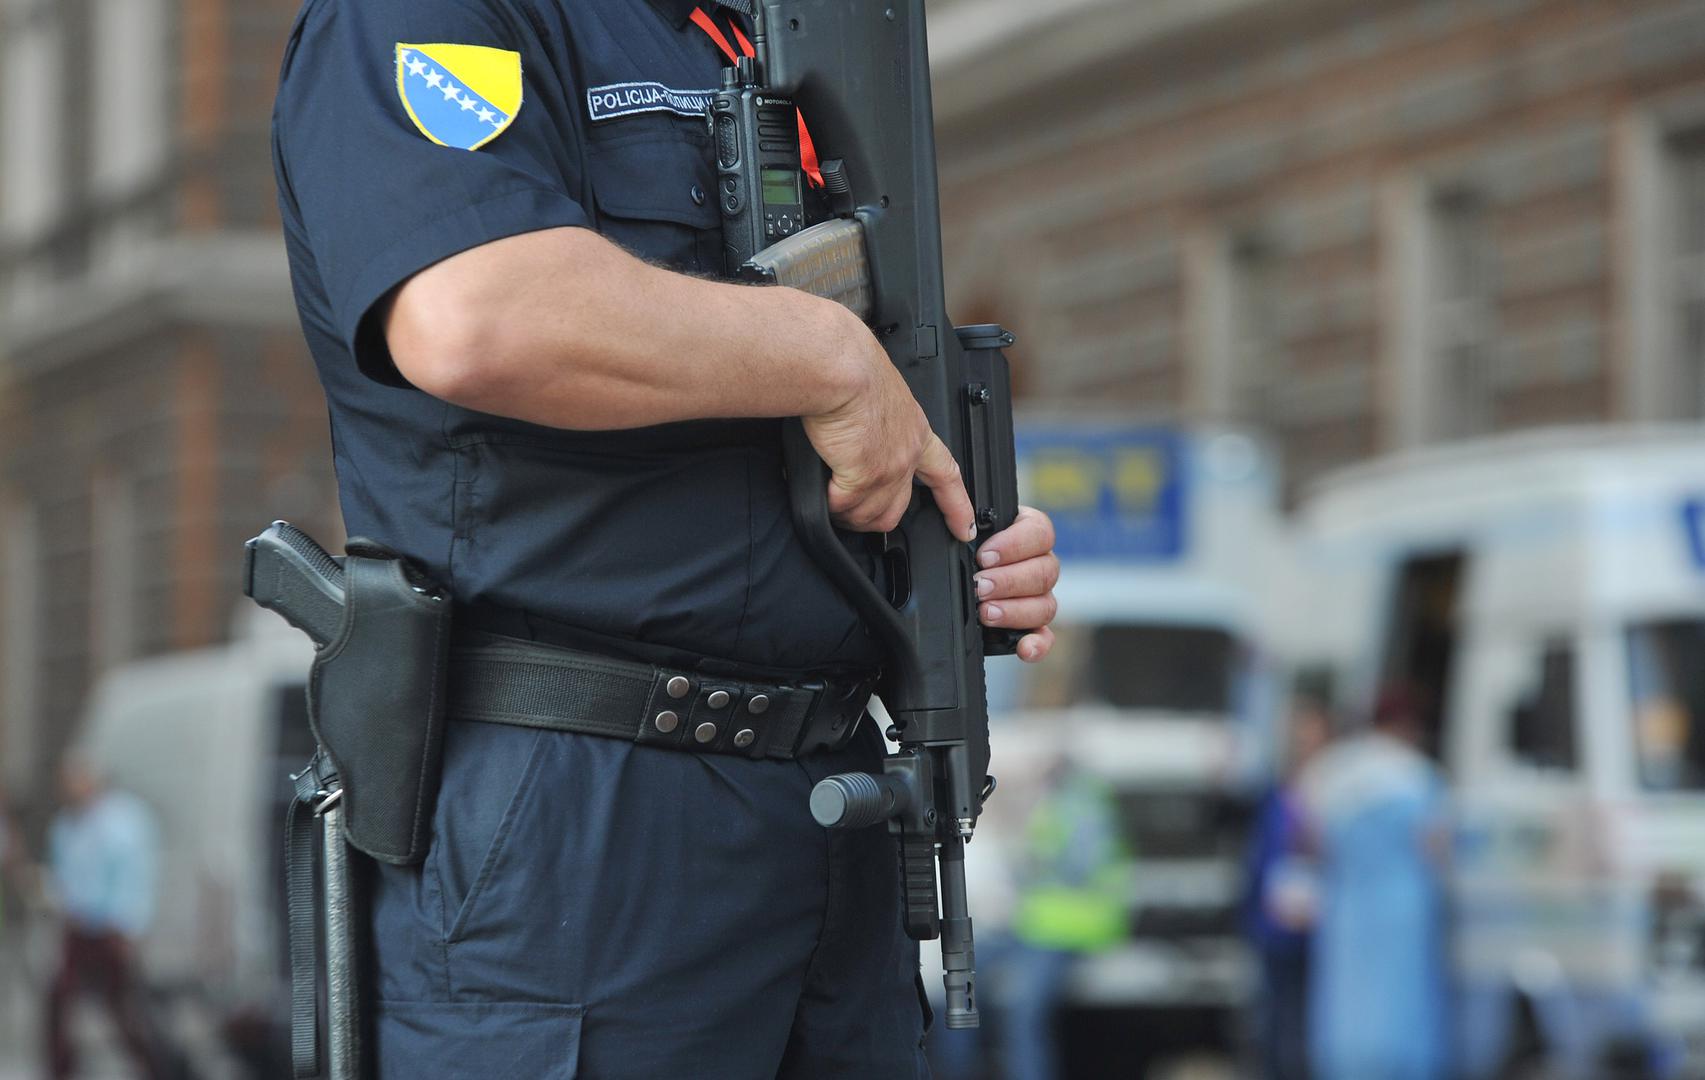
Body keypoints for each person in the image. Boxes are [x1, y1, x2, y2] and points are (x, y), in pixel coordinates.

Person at [270, 1, 1061, 1076]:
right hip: (574, 820)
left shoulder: (760, 31)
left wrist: (945, 538)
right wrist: (826, 357)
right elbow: (474, 315)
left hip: (828, 809)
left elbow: (810, 419)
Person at [1299, 686, 1449, 1080]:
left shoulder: (1331, 771)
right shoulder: (1415, 773)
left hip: (1348, 911)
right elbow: (1436, 844)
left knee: (1348, 1006)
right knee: (1401, 1004)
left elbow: (1310, 842)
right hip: (1402, 908)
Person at [992, 757, 1130, 1080]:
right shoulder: (1072, 806)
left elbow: (1074, 866)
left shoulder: (1079, 810)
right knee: (958, 981)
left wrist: (1033, 858)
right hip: (1041, 928)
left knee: (1023, 1009)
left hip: (1068, 928)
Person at [43, 753, 167, 1080]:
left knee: (124, 1008)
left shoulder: (125, 820)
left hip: (113, 928)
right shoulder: (66, 824)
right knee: (60, 999)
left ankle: (154, 1065)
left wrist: (129, 925)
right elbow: (66, 875)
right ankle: (61, 1069)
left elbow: (136, 874)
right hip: (78, 926)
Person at [1242, 694, 1331, 1080]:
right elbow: (1260, 859)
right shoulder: (1277, 792)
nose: (1302, 745)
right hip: (1275, 927)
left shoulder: (1333, 793)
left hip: (1318, 929)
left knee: (1306, 1023)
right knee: (1276, 1020)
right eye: (1298, 737)